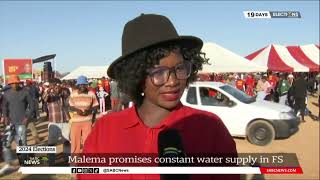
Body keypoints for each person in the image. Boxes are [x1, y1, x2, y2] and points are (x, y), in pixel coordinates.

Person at [78, 14, 238, 180]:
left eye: (180, 68)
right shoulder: (105, 130)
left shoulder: (211, 129)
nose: (173, 81)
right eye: (159, 72)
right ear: (137, 76)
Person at [1, 75, 34, 175]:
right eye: (12, 83)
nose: (14, 85)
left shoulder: (25, 93)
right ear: (10, 84)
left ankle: (24, 164)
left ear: (19, 83)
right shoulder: (6, 94)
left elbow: (32, 106)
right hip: (10, 123)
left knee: (22, 144)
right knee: (5, 144)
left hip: (21, 123)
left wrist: (26, 118)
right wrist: (5, 117)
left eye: (16, 83)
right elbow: (4, 107)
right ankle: (9, 163)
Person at [42, 78, 71, 166]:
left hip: (65, 121)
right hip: (54, 122)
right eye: (55, 85)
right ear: (52, 86)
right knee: (51, 143)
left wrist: (61, 88)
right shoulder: (49, 95)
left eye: (58, 85)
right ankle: (50, 161)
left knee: (66, 141)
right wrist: (49, 89)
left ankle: (66, 159)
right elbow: (44, 98)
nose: (57, 87)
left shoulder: (63, 93)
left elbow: (68, 95)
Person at [69, 75, 99, 154]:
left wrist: (88, 111)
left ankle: (86, 161)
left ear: (86, 85)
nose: (82, 86)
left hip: (87, 122)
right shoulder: (73, 94)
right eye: (80, 84)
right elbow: (70, 107)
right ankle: (74, 163)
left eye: (84, 84)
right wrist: (77, 110)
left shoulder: (91, 94)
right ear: (78, 85)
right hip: (75, 122)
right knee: (75, 144)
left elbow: (96, 106)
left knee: (87, 143)